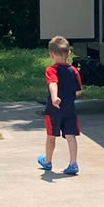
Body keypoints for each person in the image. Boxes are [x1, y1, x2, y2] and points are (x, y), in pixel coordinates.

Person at [39, 37, 83, 176]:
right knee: (71, 136)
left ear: (51, 55)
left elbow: (53, 83)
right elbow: (79, 90)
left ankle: (48, 161)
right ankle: (73, 163)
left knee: (51, 135)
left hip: (54, 110)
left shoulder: (51, 70)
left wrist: (54, 97)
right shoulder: (74, 71)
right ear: (69, 54)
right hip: (70, 109)